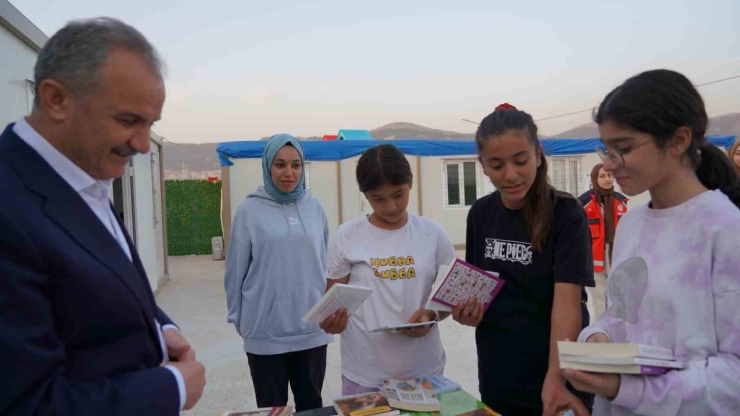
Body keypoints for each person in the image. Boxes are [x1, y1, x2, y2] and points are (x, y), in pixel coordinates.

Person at [0, 18, 205, 415]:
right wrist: (171, 387)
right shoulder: (9, 207)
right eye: (129, 121)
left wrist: (159, 326)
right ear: (56, 99)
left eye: (150, 124)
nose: (143, 144)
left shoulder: (81, 173)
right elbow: (26, 403)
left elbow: (95, 288)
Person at [562, 69, 740, 415]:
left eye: (623, 149)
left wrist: (629, 388)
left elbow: (734, 376)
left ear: (678, 141)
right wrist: (597, 338)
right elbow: (620, 315)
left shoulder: (725, 231)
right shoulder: (632, 224)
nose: (610, 165)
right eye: (606, 150)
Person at [453, 104, 595, 416]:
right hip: (498, 372)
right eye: (496, 165)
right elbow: (479, 291)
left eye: (520, 161)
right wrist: (467, 312)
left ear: (538, 155)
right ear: (483, 166)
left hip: (557, 371)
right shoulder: (480, 214)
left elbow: (568, 305)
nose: (511, 175)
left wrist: (556, 378)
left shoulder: (566, 213)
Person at [319, 144, 456, 395]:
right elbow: (332, 306)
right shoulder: (347, 236)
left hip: (424, 370)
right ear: (364, 193)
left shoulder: (432, 233)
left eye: (398, 194)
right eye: (378, 199)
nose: (391, 206)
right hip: (366, 373)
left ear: (410, 182)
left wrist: (431, 316)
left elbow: (449, 297)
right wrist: (332, 322)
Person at [224, 134, 333, 411]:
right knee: (272, 409)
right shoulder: (249, 210)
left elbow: (325, 261)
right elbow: (235, 270)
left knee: (311, 406)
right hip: (265, 331)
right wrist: (238, 317)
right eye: (280, 165)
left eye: (296, 165)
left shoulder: (315, 207)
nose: (289, 173)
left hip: (311, 329)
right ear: (267, 167)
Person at [578, 164, 628, 321]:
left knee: (618, 299)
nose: (607, 179)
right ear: (594, 179)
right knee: (599, 299)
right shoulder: (584, 202)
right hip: (595, 259)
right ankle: (601, 335)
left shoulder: (621, 202)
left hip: (617, 257)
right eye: (602, 176)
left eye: (609, 175)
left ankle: (618, 334)